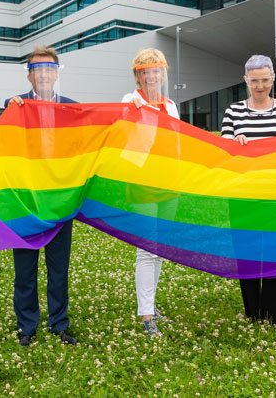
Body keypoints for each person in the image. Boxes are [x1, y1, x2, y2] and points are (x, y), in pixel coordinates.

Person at [5, 46, 78, 347]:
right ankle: (27, 326)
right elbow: (3, 146)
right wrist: (10, 110)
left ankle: (59, 324)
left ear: (57, 74)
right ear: (30, 75)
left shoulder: (73, 109)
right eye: (38, 70)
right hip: (26, 201)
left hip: (60, 200)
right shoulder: (16, 106)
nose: (44, 75)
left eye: (50, 69)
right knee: (25, 269)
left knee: (58, 267)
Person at [220, 55, 276, 326]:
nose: (260, 85)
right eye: (255, 80)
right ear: (246, 80)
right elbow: (224, 152)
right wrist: (236, 143)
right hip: (244, 194)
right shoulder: (233, 111)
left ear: (273, 79)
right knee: (248, 254)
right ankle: (254, 312)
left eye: (265, 79)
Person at [122, 48, 179, 337]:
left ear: (163, 73)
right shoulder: (130, 102)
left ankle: (151, 304)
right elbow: (127, 134)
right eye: (146, 72)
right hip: (142, 183)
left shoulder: (171, 105)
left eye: (156, 71)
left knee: (159, 251)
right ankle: (145, 314)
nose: (152, 76)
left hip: (169, 185)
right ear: (138, 76)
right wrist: (139, 110)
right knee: (146, 250)